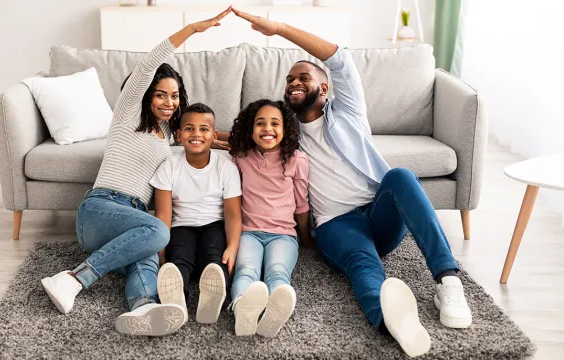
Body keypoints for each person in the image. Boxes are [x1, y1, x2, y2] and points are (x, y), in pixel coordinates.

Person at [233, 7, 472, 357]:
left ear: (325, 88)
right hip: (336, 224)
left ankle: (448, 280)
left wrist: (280, 28)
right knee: (364, 266)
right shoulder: (285, 134)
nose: (294, 83)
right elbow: (243, 137)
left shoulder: (348, 111)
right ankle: (390, 322)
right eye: (289, 80)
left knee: (401, 176)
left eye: (302, 78)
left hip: (379, 212)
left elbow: (340, 59)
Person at [40, 7, 233, 337]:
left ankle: (143, 308)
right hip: (101, 210)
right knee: (161, 232)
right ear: (145, 95)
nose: (169, 102)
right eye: (161, 94)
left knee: (148, 259)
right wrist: (190, 30)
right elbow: (148, 65)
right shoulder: (128, 114)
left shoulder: (169, 136)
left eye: (174, 96)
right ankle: (73, 278)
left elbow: (203, 135)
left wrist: (254, 140)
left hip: (133, 224)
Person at [152, 103, 242, 327]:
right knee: (179, 258)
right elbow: (163, 213)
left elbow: (232, 214)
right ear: (179, 134)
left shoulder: (226, 166)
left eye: (204, 129)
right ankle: (176, 299)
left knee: (215, 258)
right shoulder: (169, 166)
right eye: (190, 129)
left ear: (214, 135)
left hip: (215, 225)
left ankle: (211, 300)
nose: (196, 134)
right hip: (182, 226)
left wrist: (232, 248)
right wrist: (161, 254)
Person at [227, 99, 311, 338]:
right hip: (248, 232)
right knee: (246, 270)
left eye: (275, 124)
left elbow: (301, 204)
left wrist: (305, 238)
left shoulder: (297, 160)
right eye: (260, 123)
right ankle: (242, 309)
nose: (267, 129)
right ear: (250, 129)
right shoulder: (241, 157)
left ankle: (276, 310)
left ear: (285, 130)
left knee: (277, 272)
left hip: (283, 235)